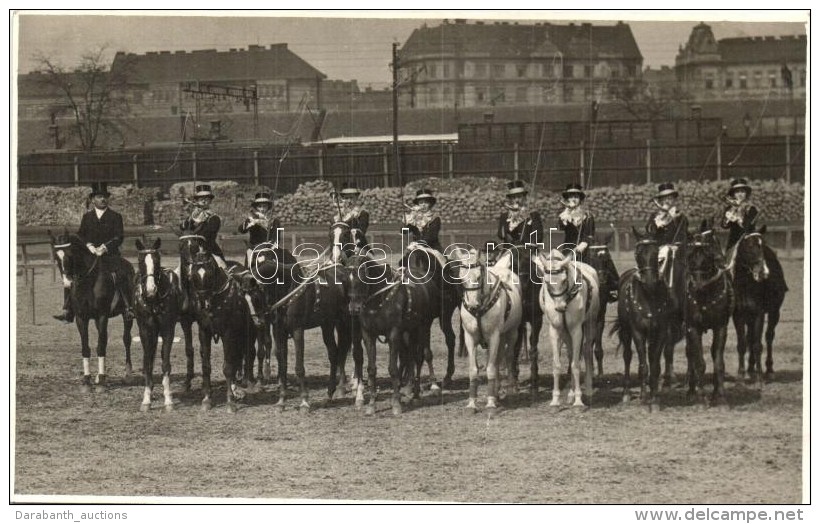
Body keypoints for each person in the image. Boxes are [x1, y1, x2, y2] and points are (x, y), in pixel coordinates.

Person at [54, 182, 134, 323]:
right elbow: (81, 235)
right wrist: (89, 245)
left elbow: (119, 237)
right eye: (99, 197)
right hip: (90, 256)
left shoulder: (115, 216)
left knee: (121, 273)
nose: (102, 199)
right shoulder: (87, 217)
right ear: (92, 200)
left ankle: (128, 307)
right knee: (71, 275)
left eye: (104, 197)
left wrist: (104, 247)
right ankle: (68, 309)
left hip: (110, 255)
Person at [646, 182, 689, 287]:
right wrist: (661, 219)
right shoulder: (655, 216)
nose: (667, 201)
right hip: (658, 249)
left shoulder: (680, 216)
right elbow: (650, 231)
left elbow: (683, 234)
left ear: (674, 200)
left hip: (677, 249)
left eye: (670, 198)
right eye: (664, 198)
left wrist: (677, 245)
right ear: (660, 201)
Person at [179, 184, 227, 268]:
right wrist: (192, 218)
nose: (204, 201)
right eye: (201, 199)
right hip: (191, 251)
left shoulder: (214, 217)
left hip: (210, 251)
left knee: (222, 268)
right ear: (197, 201)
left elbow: (208, 234)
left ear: (210, 201)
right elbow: (182, 228)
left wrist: (199, 222)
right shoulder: (192, 217)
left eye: (207, 199)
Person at [402, 188, 447, 269]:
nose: (423, 205)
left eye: (426, 202)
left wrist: (420, 243)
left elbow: (432, 235)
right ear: (417, 205)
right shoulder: (414, 218)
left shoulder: (435, 218)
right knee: (403, 263)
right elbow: (404, 232)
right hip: (415, 247)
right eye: (421, 203)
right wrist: (407, 222)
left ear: (430, 204)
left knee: (444, 265)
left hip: (432, 247)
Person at [238, 191, 281, 267]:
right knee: (249, 273)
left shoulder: (274, 221)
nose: (262, 209)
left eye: (264, 206)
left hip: (270, 251)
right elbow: (241, 230)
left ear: (268, 207)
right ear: (256, 208)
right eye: (259, 206)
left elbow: (277, 239)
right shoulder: (251, 219)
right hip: (254, 251)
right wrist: (250, 222)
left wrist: (270, 249)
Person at [556, 183, 595, 264]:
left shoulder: (587, 215)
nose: (573, 199)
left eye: (576, 197)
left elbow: (590, 233)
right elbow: (559, 228)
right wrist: (567, 214)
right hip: (568, 250)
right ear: (567, 200)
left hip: (584, 250)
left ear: (580, 199)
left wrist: (584, 243)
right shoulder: (564, 214)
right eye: (571, 197)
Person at [332, 183, 370, 253]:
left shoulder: (362, 213)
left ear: (356, 198)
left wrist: (357, 246)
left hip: (358, 246)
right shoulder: (338, 215)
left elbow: (361, 232)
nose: (349, 201)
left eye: (351, 197)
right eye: (346, 198)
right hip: (339, 247)